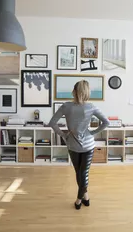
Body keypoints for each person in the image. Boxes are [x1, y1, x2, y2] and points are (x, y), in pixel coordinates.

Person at [48, 80, 109, 210]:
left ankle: (79, 199)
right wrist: (92, 133)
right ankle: (85, 197)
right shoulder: (91, 107)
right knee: (83, 173)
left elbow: (52, 123)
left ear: (74, 92)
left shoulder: (66, 106)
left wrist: (64, 135)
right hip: (88, 144)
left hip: (72, 144)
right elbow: (106, 122)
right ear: (87, 92)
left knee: (79, 172)